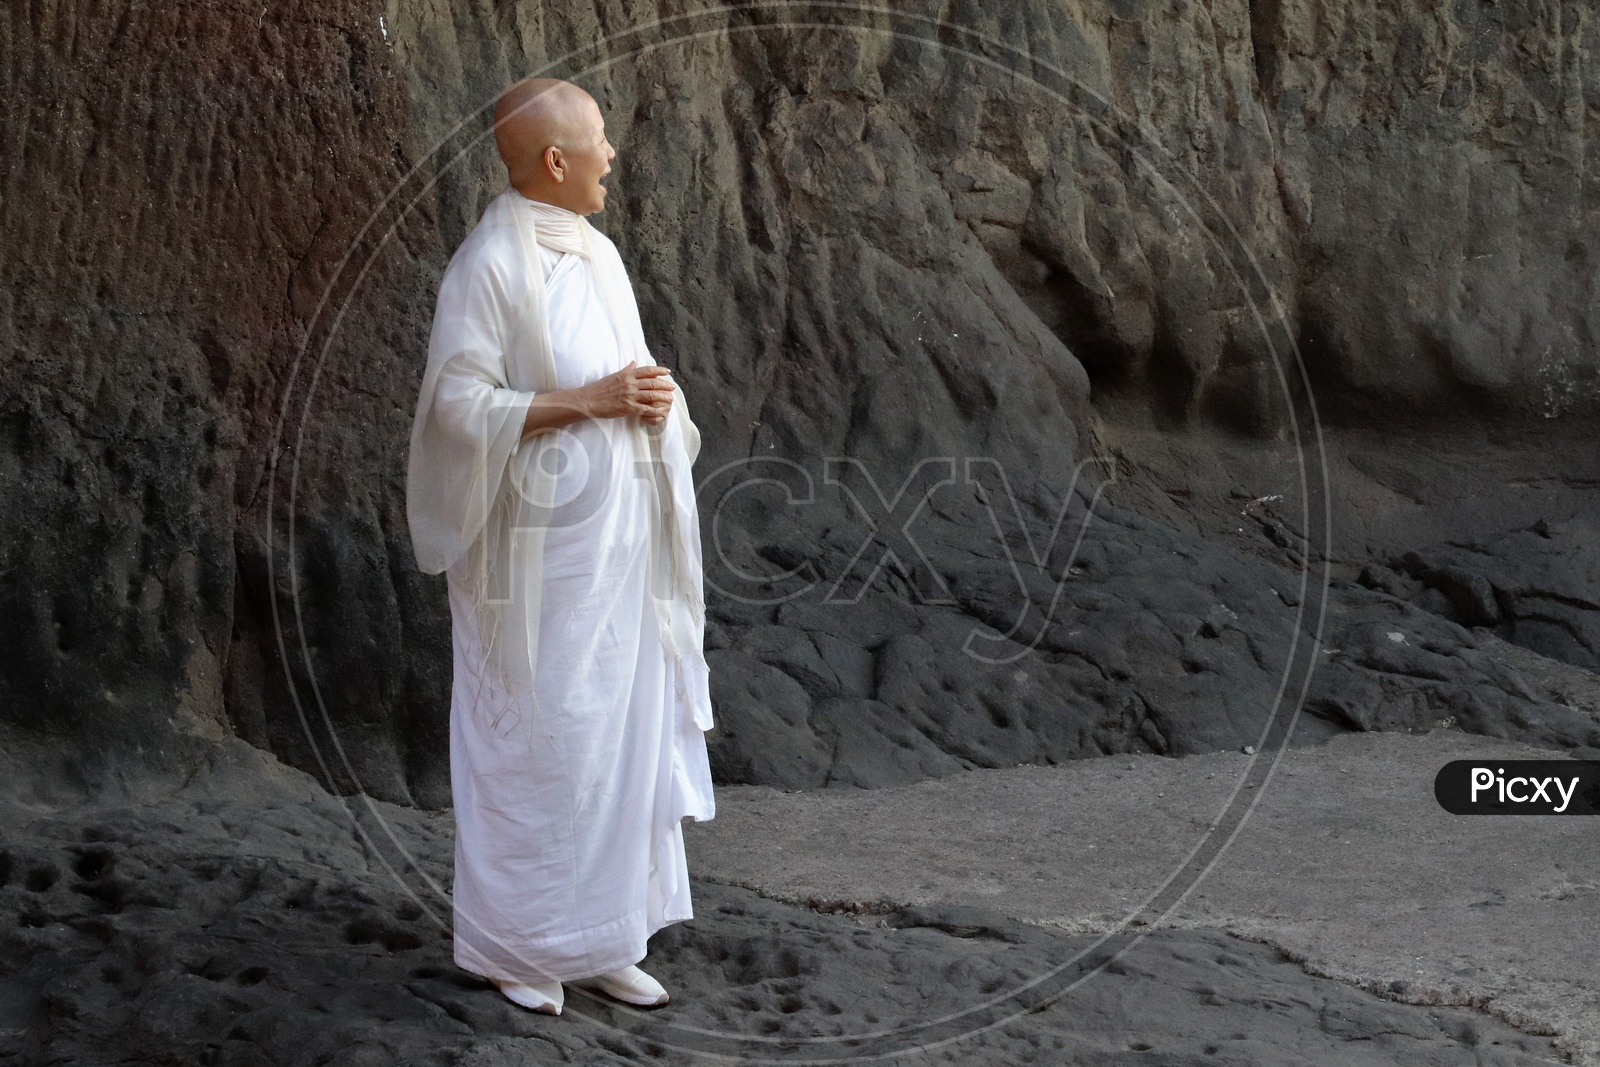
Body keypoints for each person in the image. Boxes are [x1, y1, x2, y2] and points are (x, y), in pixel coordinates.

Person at [404, 77, 717, 1016]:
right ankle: (521, 946)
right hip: (531, 564)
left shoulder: (600, 255)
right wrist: (591, 401)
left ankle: (608, 936)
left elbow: (631, 374)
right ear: (554, 160)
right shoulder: (489, 266)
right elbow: (456, 407)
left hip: (618, 554)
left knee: (614, 735)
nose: (611, 154)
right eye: (599, 140)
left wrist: (653, 400)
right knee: (538, 742)